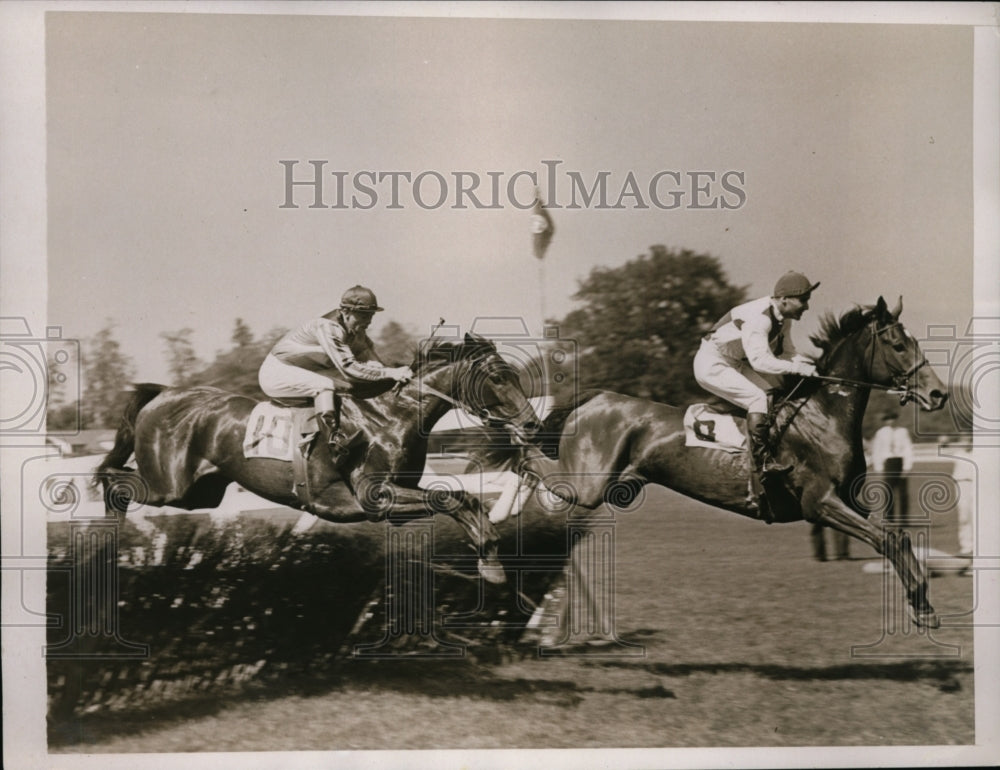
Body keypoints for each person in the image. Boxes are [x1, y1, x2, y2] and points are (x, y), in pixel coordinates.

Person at [258, 285, 413, 466]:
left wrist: (397, 372)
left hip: (305, 370)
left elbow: (376, 365)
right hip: (277, 372)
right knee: (325, 386)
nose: (369, 321)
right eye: (363, 316)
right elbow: (350, 369)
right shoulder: (328, 327)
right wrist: (391, 373)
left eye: (371, 315)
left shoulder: (358, 332)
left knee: (350, 387)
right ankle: (333, 444)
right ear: (345, 312)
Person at [694, 271, 819, 480]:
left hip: (733, 362)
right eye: (803, 300)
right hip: (711, 362)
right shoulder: (760, 318)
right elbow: (759, 361)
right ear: (784, 299)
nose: (807, 306)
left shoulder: (783, 317)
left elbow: (788, 354)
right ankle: (763, 463)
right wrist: (799, 369)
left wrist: (811, 365)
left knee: (772, 394)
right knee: (758, 398)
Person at [869, 411, 913, 524]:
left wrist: (907, 467)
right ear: (885, 421)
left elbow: (908, 448)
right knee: (889, 492)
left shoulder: (902, 432)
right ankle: (890, 519)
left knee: (903, 493)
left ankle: (904, 520)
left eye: (893, 418)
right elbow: (877, 450)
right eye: (888, 419)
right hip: (888, 462)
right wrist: (878, 467)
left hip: (900, 461)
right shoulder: (881, 433)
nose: (891, 421)